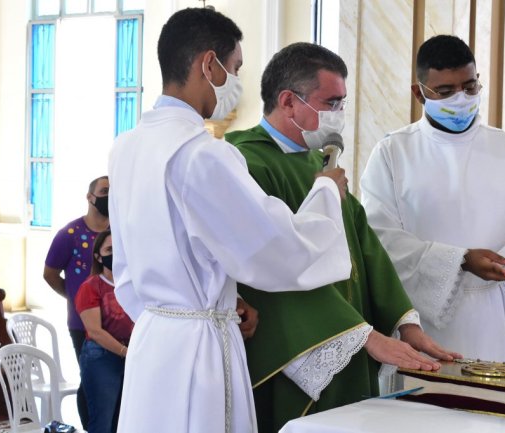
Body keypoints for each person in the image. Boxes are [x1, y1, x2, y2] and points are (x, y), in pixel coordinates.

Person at [108, 8, 352, 433]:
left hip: (152, 342)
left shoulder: (126, 146)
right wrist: (326, 194)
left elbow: (128, 270)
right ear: (209, 65)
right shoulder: (202, 153)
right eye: (235, 68)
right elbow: (276, 249)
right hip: (198, 353)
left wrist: (210, 296)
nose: (236, 81)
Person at [225, 42, 460, 433]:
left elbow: (363, 244)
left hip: (352, 342)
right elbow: (272, 270)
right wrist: (362, 336)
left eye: (342, 103)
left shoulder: (320, 164)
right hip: (300, 351)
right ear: (288, 101)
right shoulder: (247, 164)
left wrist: (405, 323)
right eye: (331, 103)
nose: (338, 115)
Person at [360, 34, 505, 365]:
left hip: (493, 317)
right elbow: (380, 242)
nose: (461, 99)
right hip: (424, 322)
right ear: (419, 93)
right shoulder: (393, 153)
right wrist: (459, 260)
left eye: (470, 87)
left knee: (493, 396)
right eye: (445, 91)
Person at [43, 175, 109, 428]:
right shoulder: (70, 234)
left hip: (118, 322)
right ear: (90, 197)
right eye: (104, 191)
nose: (110, 196)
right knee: (91, 378)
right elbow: (50, 274)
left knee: (113, 379)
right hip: (83, 324)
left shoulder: (120, 232)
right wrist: (77, 299)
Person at [75, 229, 132, 433]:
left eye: (119, 249)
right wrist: (126, 352)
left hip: (130, 353)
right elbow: (95, 331)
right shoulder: (91, 287)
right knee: (103, 421)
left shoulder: (132, 284)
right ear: (98, 257)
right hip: (102, 356)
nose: (115, 254)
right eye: (109, 250)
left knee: (124, 420)